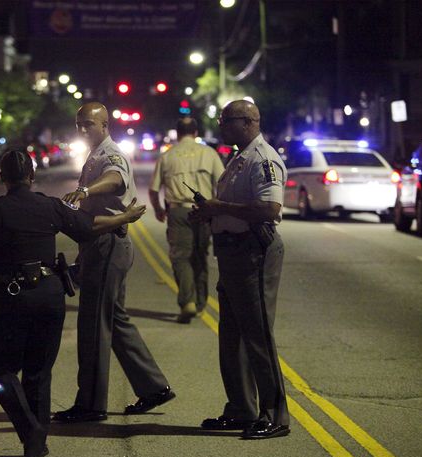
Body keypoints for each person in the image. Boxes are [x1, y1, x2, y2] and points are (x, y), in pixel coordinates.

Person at [0, 149, 146, 457]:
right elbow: (88, 226)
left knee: (0, 372)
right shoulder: (49, 206)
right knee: (38, 372)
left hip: (11, 300)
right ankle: (36, 443)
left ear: (2, 177)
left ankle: (32, 432)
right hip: (49, 296)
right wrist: (125, 217)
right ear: (32, 176)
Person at [53, 102, 175, 424]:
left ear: (104, 125)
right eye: (79, 124)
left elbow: (115, 180)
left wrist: (85, 190)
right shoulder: (94, 154)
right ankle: (153, 387)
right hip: (99, 244)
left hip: (109, 245)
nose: (82, 130)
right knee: (115, 322)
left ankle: (91, 405)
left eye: (88, 125)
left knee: (93, 326)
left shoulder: (111, 155)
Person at [189, 100, 289, 439]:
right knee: (231, 338)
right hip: (232, 253)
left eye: (226, 120)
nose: (220, 125)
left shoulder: (263, 160)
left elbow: (269, 207)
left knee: (257, 336)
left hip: (253, 252)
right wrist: (210, 213)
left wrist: (219, 206)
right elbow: (235, 207)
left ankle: (274, 414)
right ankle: (241, 409)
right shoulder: (239, 158)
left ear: (248, 122)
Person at [149, 117, 224, 323]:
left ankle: (187, 302)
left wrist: (158, 209)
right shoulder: (209, 154)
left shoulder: (168, 156)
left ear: (178, 133)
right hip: (204, 211)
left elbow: (154, 189)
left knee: (181, 257)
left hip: (178, 211)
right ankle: (200, 303)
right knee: (200, 256)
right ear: (196, 132)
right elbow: (222, 183)